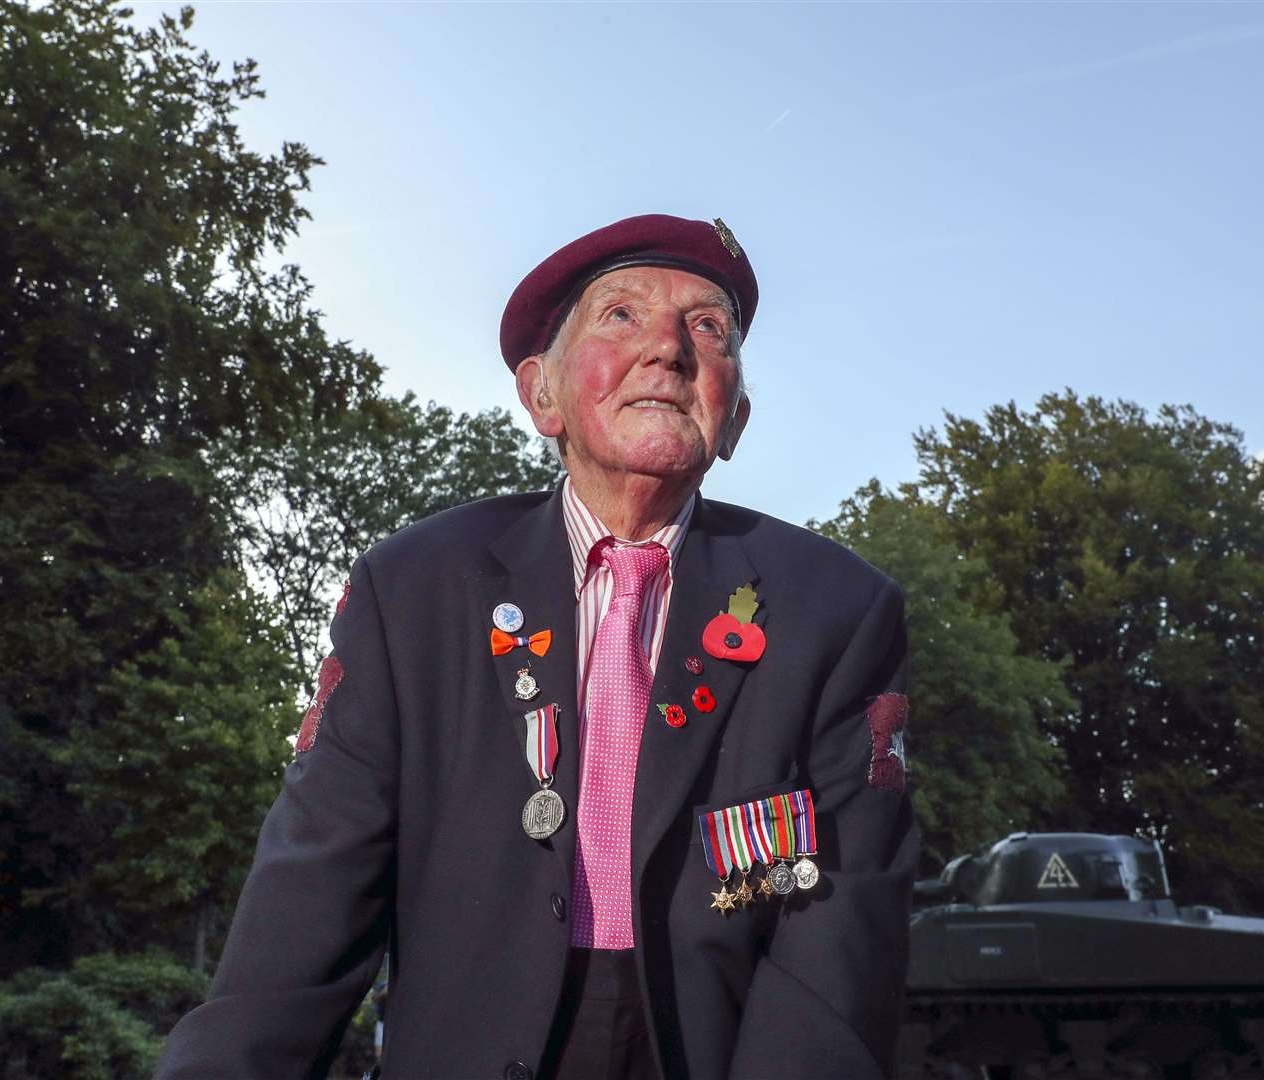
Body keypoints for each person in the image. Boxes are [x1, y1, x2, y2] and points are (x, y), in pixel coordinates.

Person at [156, 214, 917, 1080]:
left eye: (708, 328)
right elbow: (314, 885)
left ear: (732, 416)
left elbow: (840, 922)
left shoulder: (836, 608)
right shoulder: (413, 590)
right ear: (542, 395)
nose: (667, 348)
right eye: (620, 315)